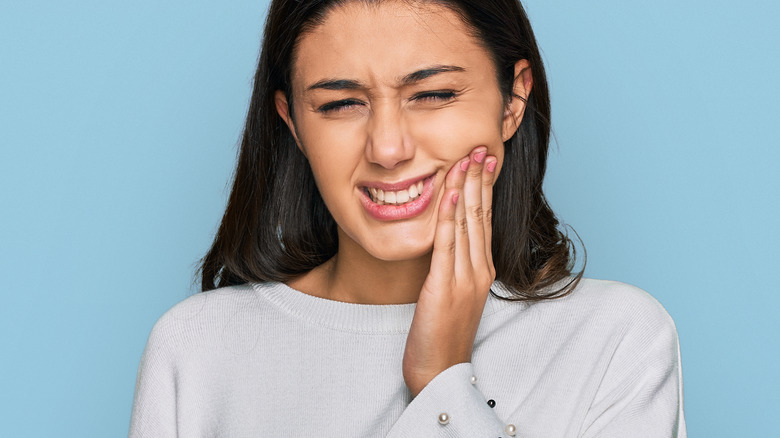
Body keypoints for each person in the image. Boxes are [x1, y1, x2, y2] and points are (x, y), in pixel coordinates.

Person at [129, 0, 686, 436]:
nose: (388, 149)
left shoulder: (615, 340)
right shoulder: (197, 349)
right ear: (293, 123)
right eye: (341, 104)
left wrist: (442, 380)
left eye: (434, 94)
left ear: (512, 102)